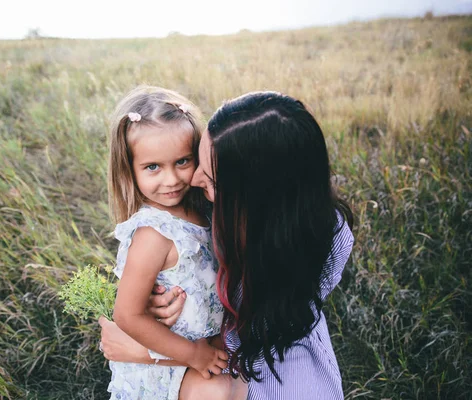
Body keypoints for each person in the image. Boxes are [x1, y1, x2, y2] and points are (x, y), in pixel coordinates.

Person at [99, 91, 355, 399]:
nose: (188, 179)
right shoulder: (168, 226)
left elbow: (245, 339)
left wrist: (146, 351)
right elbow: (131, 309)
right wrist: (155, 307)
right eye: (154, 167)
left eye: (208, 177)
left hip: (254, 361)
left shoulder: (325, 235)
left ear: (254, 197)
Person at [105, 86, 237, 400]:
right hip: (163, 367)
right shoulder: (154, 233)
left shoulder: (202, 210)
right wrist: (193, 354)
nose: (171, 179)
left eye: (182, 161)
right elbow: (127, 315)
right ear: (130, 170)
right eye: (153, 167)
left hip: (200, 353)